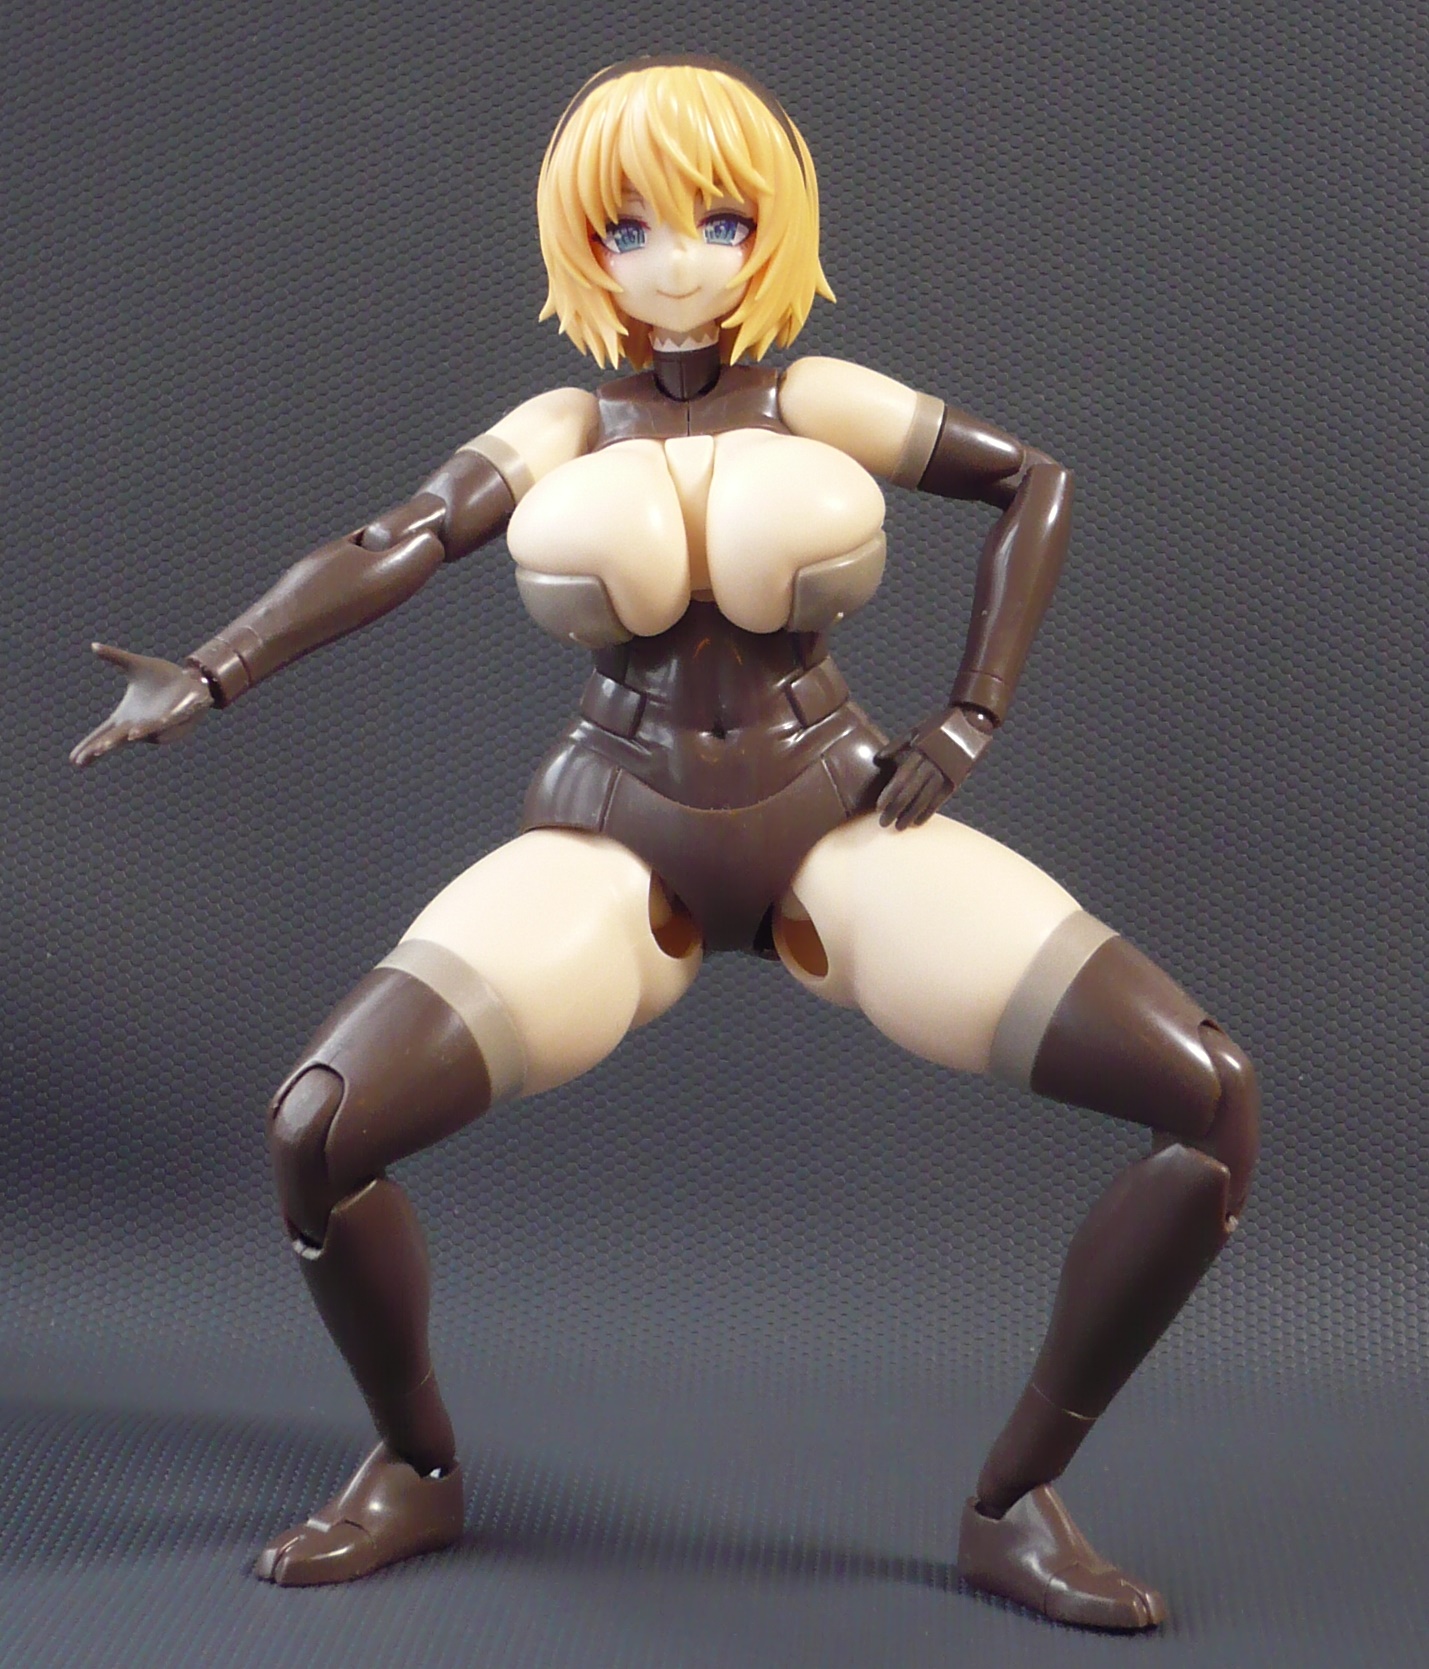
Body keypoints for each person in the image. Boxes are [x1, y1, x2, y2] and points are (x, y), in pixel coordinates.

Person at [72, 56, 1257, 1629]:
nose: (678, 258)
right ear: (584, 251)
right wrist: (214, 669)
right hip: (612, 835)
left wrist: (971, 713)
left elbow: (1033, 478)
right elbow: (397, 539)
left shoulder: (820, 398)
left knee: (1205, 1097)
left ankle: (1011, 1500)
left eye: (719, 219)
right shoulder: (562, 424)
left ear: (774, 229)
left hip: (838, 814)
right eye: (628, 228)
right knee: (319, 1126)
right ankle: (412, 1463)